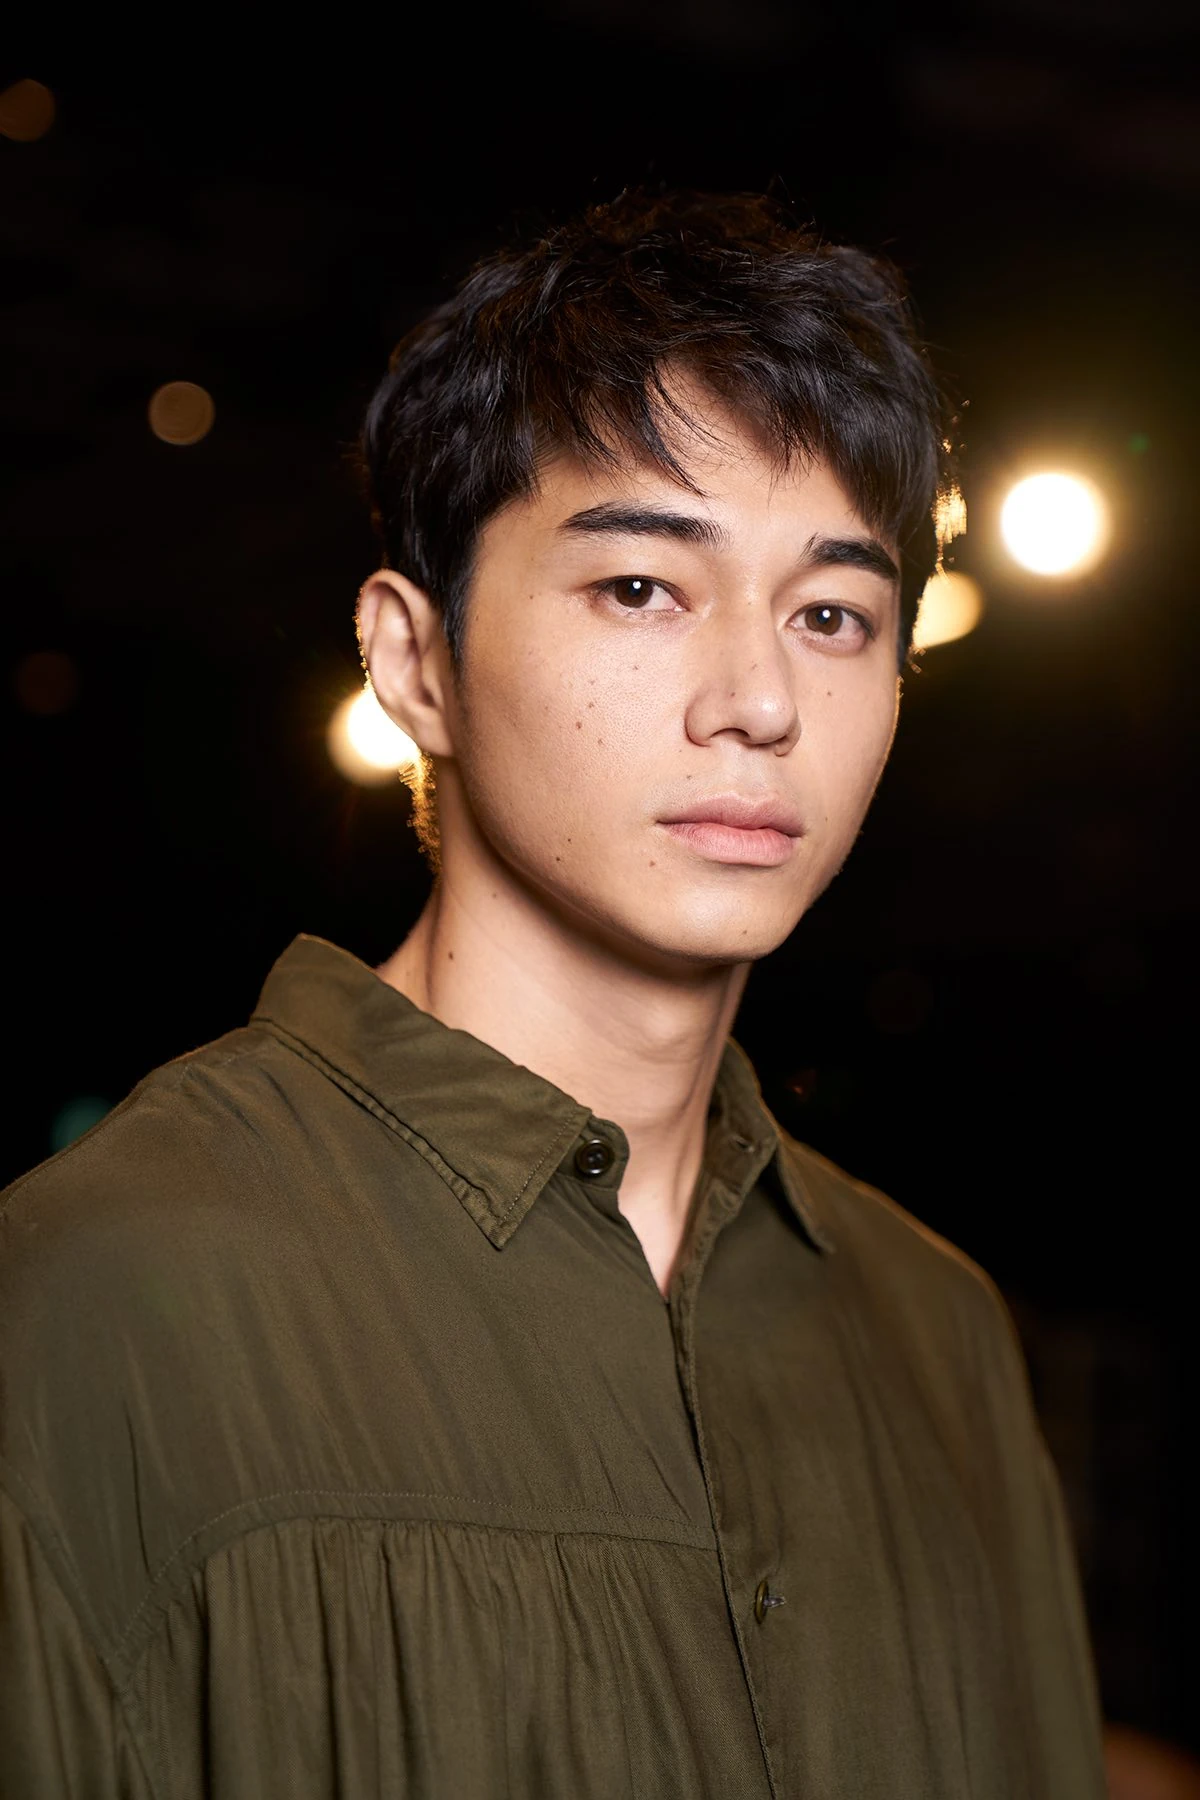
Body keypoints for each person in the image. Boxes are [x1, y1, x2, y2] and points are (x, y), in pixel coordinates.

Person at [0, 191, 1105, 1798]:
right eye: (641, 588)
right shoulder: (102, 1287)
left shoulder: (940, 1337)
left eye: (832, 615)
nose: (759, 702)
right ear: (413, 662)